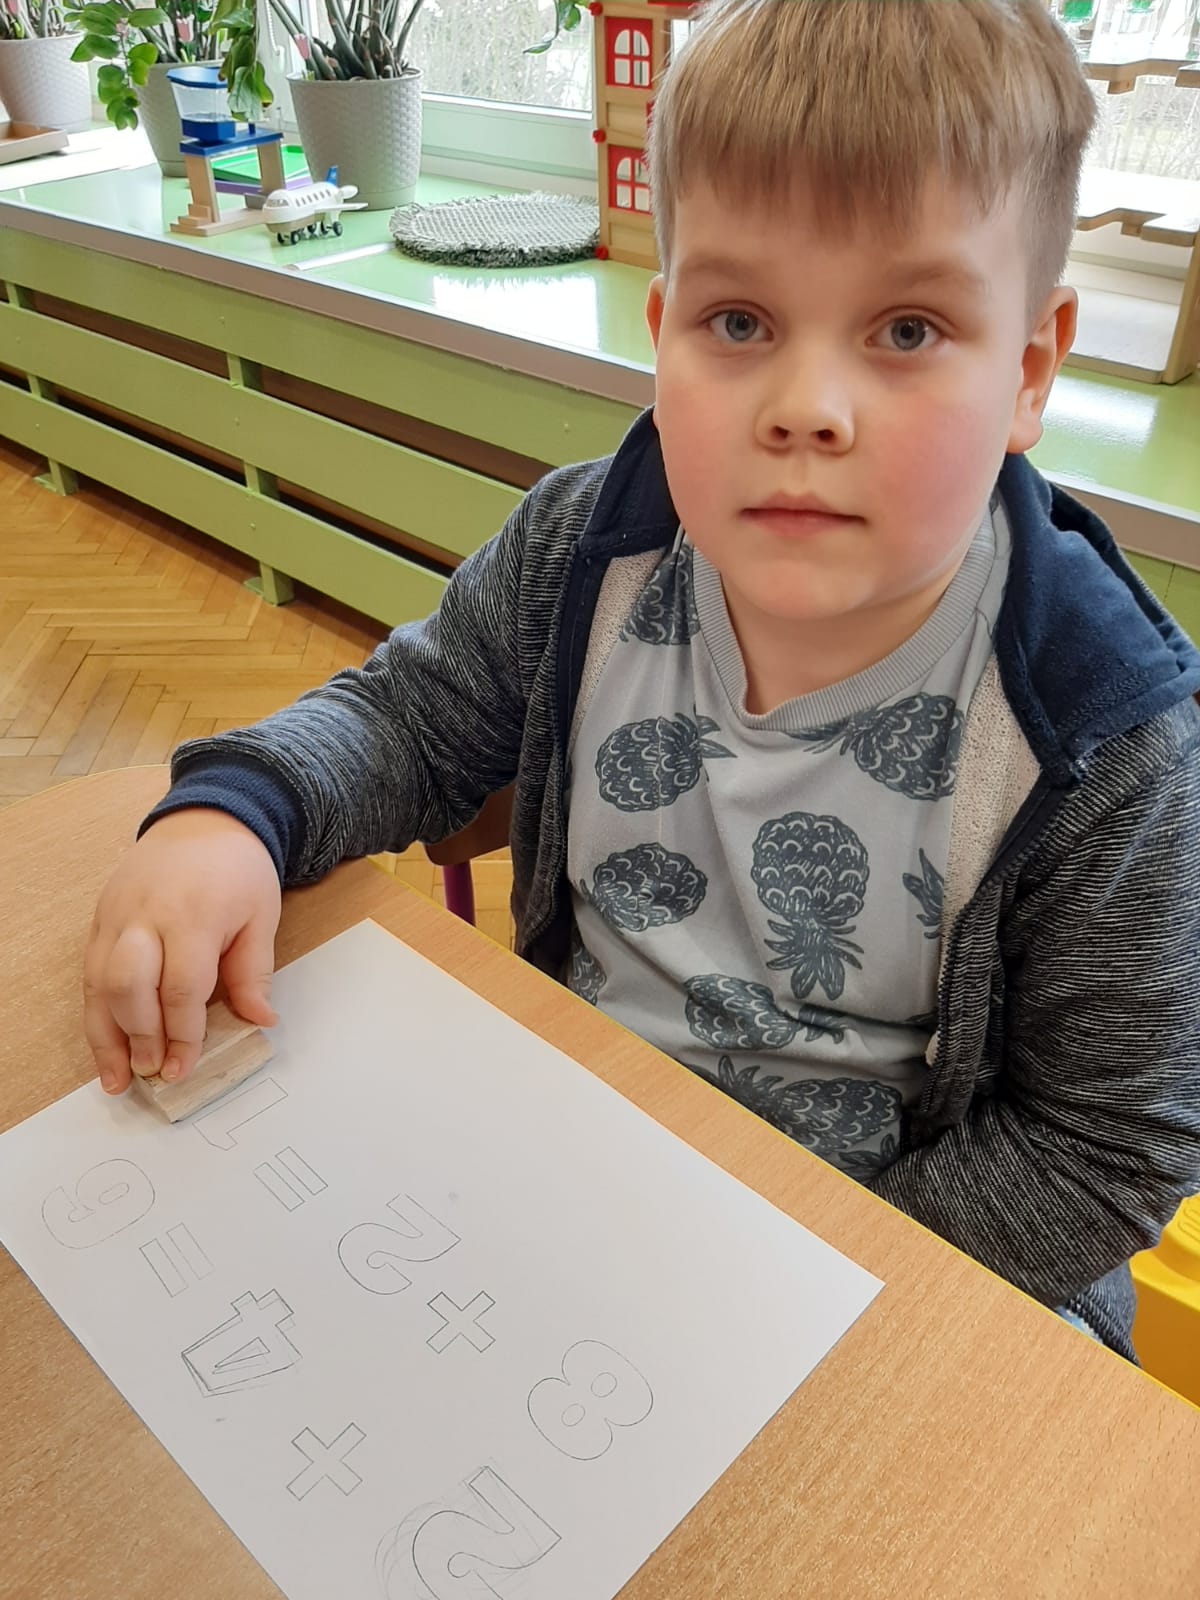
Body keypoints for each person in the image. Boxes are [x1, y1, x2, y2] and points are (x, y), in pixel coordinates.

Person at [83, 0, 1200, 1359]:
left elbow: (1104, 1148)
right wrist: (236, 815)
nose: (806, 408)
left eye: (907, 331)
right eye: (739, 320)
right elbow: (409, 721)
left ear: (1028, 372)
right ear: (662, 334)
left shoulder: (1100, 730)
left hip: (904, 1284)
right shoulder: (585, 549)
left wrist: (815, 1276)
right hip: (577, 1180)